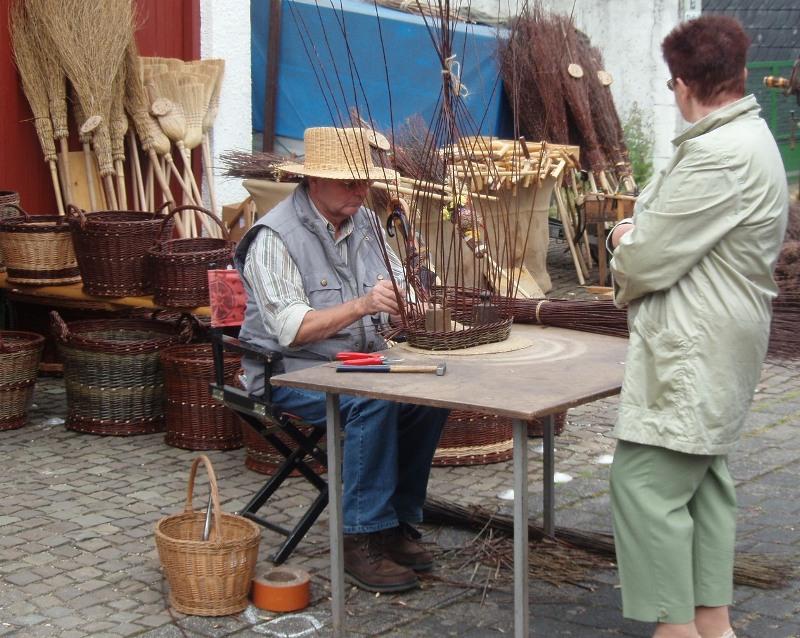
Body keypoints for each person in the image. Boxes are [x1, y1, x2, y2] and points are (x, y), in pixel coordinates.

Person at [606, 15, 789, 638]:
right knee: (702, 479)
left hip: (695, 344)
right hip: (716, 336)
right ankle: (712, 624)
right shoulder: (745, 135)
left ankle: (676, 630)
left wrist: (621, 237)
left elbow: (647, 261)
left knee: (643, 483)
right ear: (741, 74)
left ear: (682, 85)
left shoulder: (717, 155)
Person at [234, 126, 450, 594]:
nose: (360, 191)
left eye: (364, 182)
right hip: (290, 372)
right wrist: (364, 305)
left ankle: (396, 522)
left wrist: (411, 305)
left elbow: (397, 286)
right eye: (349, 182)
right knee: (373, 400)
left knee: (430, 394)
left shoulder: (366, 223)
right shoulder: (274, 236)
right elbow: (292, 330)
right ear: (314, 180)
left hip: (361, 362)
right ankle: (362, 536)